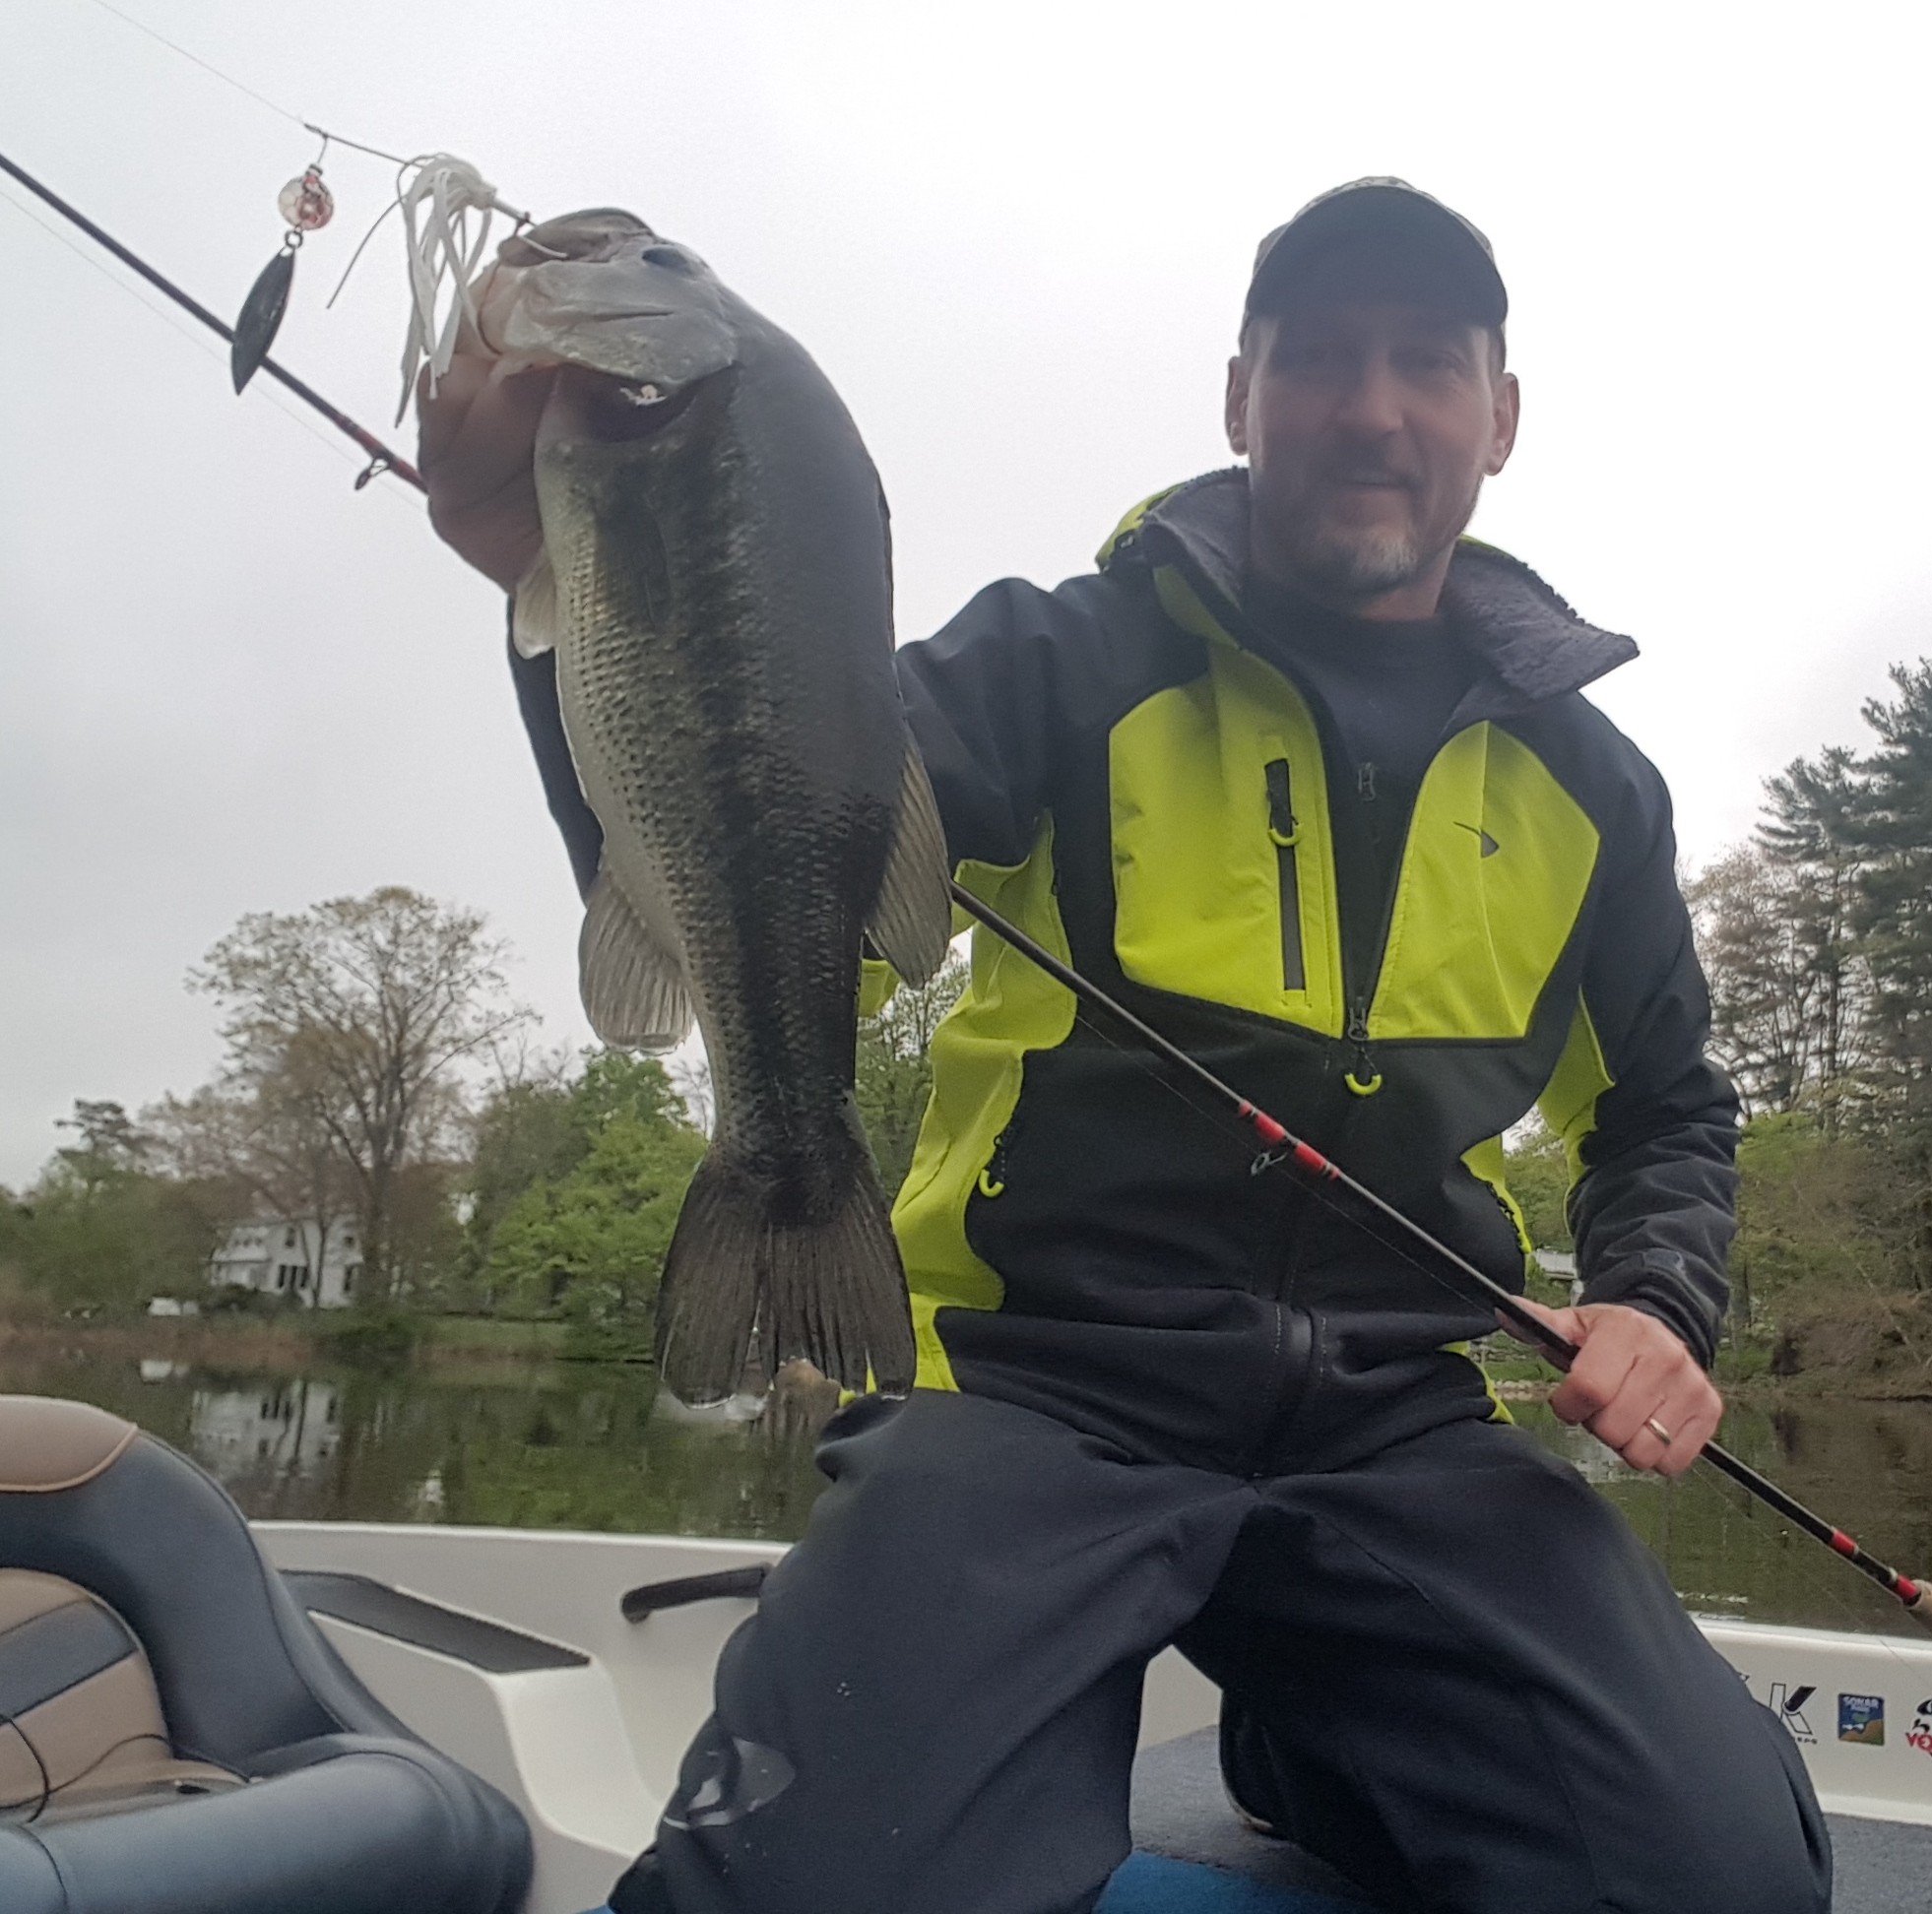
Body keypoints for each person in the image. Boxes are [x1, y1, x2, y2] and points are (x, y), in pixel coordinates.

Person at [422, 177, 1831, 1914]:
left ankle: (1321, 1729)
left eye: (1425, 363)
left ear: (1500, 417)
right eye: (1316, 358)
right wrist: (558, 577)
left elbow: (1671, 1109)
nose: (1371, 407)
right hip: (1032, 1390)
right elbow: (748, 837)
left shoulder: (1595, 786)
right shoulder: (1056, 658)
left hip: (1402, 1426)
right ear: (1240, 398)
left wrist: (1659, 1303)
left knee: (1721, 1886)